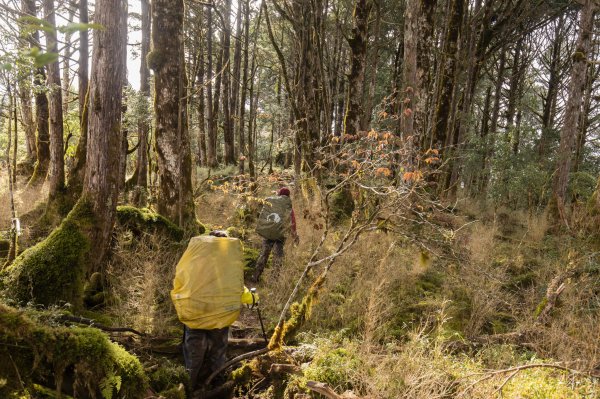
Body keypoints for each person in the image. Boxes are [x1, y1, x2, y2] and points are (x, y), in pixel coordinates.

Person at [171, 230, 256, 394]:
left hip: (195, 315)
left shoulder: (195, 261)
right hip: (220, 319)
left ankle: (188, 387)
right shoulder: (227, 266)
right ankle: (218, 384)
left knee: (193, 356)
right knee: (218, 353)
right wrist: (252, 298)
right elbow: (236, 289)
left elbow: (181, 282)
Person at [253, 187, 298, 282]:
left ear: (279, 194)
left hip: (268, 233)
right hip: (280, 236)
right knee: (278, 257)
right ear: (288, 196)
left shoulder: (272, 203)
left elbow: (263, 214)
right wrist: (294, 235)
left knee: (264, 254)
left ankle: (256, 276)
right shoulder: (288, 207)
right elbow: (292, 222)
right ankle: (273, 280)